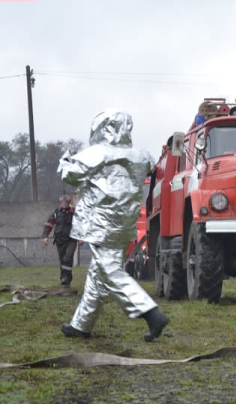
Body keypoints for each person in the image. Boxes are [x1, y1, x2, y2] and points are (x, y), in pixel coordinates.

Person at [57, 108, 169, 342]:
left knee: (110, 271)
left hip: (101, 223)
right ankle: (81, 325)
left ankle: (151, 313)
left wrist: (65, 161)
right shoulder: (141, 155)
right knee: (98, 274)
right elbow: (153, 168)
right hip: (125, 222)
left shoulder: (96, 153)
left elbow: (70, 176)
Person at [42, 195, 77, 288]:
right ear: (60, 202)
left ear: (69, 202)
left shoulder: (74, 213)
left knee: (67, 258)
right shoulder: (56, 213)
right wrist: (45, 236)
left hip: (71, 240)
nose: (64, 204)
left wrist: (81, 238)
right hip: (60, 241)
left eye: (66, 202)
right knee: (63, 261)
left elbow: (80, 226)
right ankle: (64, 280)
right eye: (62, 202)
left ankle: (67, 278)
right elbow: (49, 225)